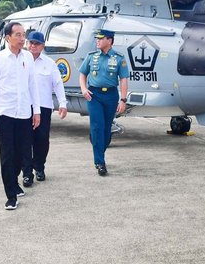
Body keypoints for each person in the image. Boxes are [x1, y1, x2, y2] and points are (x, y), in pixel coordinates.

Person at [0, 22, 40, 210]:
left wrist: (37, 111)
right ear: (8, 37)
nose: (22, 38)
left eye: (23, 34)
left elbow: (33, 85)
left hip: (24, 112)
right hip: (4, 112)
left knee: (22, 153)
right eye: (18, 34)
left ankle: (14, 182)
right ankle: (10, 195)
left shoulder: (28, 57)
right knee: (7, 154)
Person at [79, 29, 129, 176]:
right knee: (97, 126)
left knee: (106, 131)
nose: (97, 41)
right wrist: (83, 89)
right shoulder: (91, 56)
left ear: (109, 40)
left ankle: (98, 145)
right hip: (94, 95)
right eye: (97, 38)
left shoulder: (119, 58)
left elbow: (124, 79)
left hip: (111, 96)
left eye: (101, 38)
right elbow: (82, 73)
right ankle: (100, 162)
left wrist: (123, 99)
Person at [23, 31, 67, 185]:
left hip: (44, 107)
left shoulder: (49, 63)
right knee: (25, 140)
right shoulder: (21, 60)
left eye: (36, 43)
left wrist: (62, 103)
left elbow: (58, 84)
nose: (33, 46)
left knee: (42, 140)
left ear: (42, 46)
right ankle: (27, 172)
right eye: (31, 43)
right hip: (24, 106)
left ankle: (39, 166)